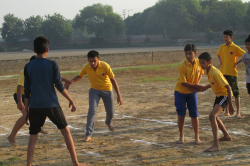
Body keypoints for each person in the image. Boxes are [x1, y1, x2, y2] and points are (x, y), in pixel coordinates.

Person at [24, 36, 86, 166]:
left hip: (35, 106)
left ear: (34, 50)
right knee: (65, 131)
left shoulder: (28, 66)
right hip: (52, 104)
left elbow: (27, 91)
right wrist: (71, 100)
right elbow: (59, 86)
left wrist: (26, 112)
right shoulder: (52, 64)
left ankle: (28, 164)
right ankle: (75, 162)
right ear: (47, 49)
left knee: (33, 136)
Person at [65, 50, 123, 142]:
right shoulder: (86, 67)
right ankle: (88, 134)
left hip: (107, 90)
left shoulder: (105, 66)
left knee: (111, 112)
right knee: (92, 110)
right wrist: (70, 82)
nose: (92, 63)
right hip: (94, 91)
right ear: (87, 60)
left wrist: (119, 95)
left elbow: (113, 80)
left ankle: (108, 122)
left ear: (98, 59)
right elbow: (79, 76)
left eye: (94, 61)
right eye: (90, 61)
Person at [7, 55, 49, 147]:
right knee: (26, 116)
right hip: (21, 95)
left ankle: (38, 127)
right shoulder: (26, 71)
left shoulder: (38, 71)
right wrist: (20, 101)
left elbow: (54, 77)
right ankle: (12, 136)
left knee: (41, 110)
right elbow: (19, 86)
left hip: (30, 95)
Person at [197, 52, 234, 152]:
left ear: (209, 62)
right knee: (215, 117)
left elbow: (228, 87)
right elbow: (213, 82)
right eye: (200, 63)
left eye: (203, 63)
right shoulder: (208, 71)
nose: (201, 65)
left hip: (225, 96)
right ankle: (226, 136)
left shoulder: (215, 72)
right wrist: (205, 87)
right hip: (219, 96)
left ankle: (216, 145)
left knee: (212, 116)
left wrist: (230, 104)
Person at [174, 44, 203, 145]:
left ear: (195, 53)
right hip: (180, 92)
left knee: (194, 115)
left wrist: (197, 85)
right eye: (186, 54)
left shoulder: (199, 62)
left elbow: (201, 73)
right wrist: (194, 86)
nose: (188, 56)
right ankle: (181, 136)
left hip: (192, 93)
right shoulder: (182, 65)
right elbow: (183, 82)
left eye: (190, 53)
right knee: (181, 114)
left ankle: (197, 137)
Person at [217, 30, 245, 117]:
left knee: (235, 92)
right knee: (226, 92)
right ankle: (227, 111)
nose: (225, 38)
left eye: (227, 37)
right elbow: (219, 54)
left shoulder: (235, 47)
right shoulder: (222, 47)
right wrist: (221, 61)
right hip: (223, 72)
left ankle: (238, 112)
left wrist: (236, 63)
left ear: (231, 38)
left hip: (232, 73)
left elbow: (245, 55)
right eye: (224, 37)